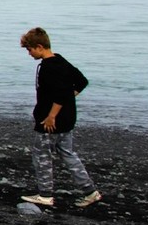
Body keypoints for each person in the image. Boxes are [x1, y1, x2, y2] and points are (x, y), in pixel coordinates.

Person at [20, 27, 99, 208]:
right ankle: (90, 192)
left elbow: (61, 93)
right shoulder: (61, 61)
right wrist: (68, 101)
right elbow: (82, 82)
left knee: (41, 156)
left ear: (39, 47)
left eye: (29, 49)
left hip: (50, 121)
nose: (29, 54)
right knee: (68, 154)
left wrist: (51, 115)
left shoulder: (49, 68)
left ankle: (45, 195)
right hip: (68, 119)